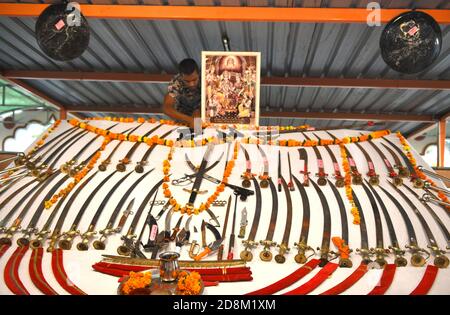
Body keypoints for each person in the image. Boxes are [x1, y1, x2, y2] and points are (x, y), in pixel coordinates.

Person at [163, 58, 201, 128]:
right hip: (182, 115)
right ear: (181, 77)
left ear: (199, 74)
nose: (191, 84)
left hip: (201, 112)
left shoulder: (207, 77)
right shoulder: (176, 82)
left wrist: (196, 118)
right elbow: (166, 107)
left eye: (194, 80)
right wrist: (189, 119)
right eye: (187, 81)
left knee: (197, 114)